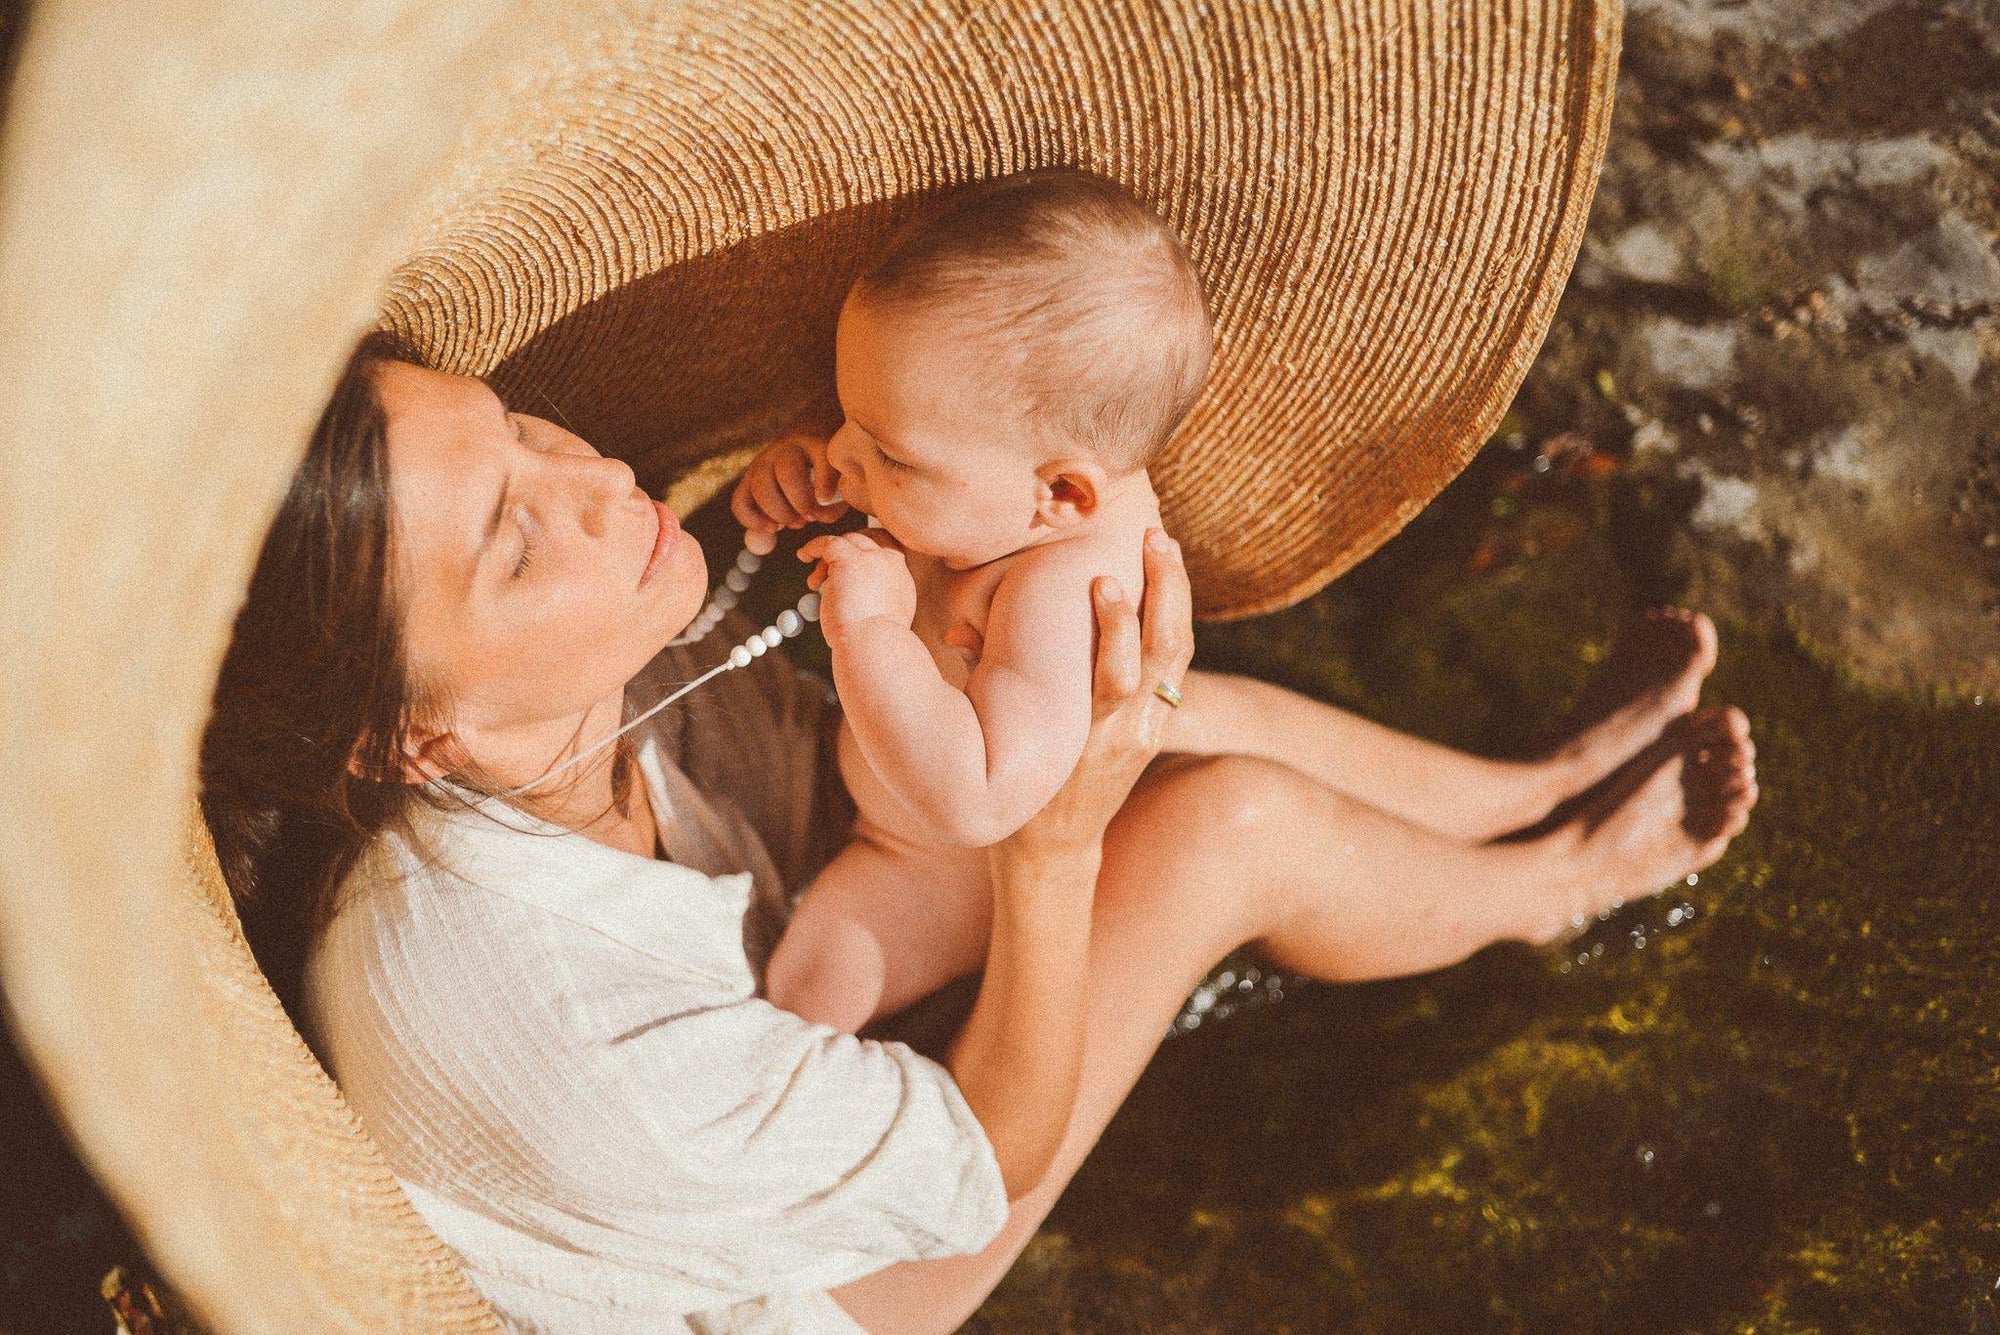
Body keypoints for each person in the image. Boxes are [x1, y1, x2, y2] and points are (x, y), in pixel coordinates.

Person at [196, 333, 1756, 1333]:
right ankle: (1559, 884)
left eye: (525, 427)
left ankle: (1520, 787)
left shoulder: (567, 706)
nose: (597, 479)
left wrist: (962, 625)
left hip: (773, 1027)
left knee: (1138, 715)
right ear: (409, 736)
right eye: (518, 537)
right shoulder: (555, 1025)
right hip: (795, 1289)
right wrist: (1055, 845)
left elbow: (840, 775)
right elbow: (987, 1148)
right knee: (1221, 825)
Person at [731, 169, 1743, 1037]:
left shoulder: (1056, 590)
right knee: (1228, 717)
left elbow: (980, 796)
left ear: (1062, 496)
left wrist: (865, 627)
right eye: (849, 420)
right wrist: (824, 477)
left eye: (887, 451)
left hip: (944, 869)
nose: (842, 453)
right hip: (929, 800)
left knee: (805, 985)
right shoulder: (1021, 489)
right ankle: (1534, 788)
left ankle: (1548, 886)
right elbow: (930, 506)